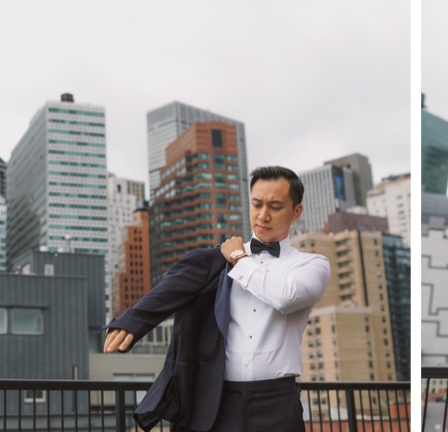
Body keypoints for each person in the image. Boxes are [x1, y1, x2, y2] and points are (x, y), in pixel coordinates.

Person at [102, 166, 331, 432]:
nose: (263, 215)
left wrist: (239, 259)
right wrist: (133, 320)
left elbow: (286, 296)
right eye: (256, 204)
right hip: (217, 401)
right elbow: (170, 288)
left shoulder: (312, 265)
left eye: (275, 206)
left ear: (296, 211)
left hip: (277, 403)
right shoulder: (216, 261)